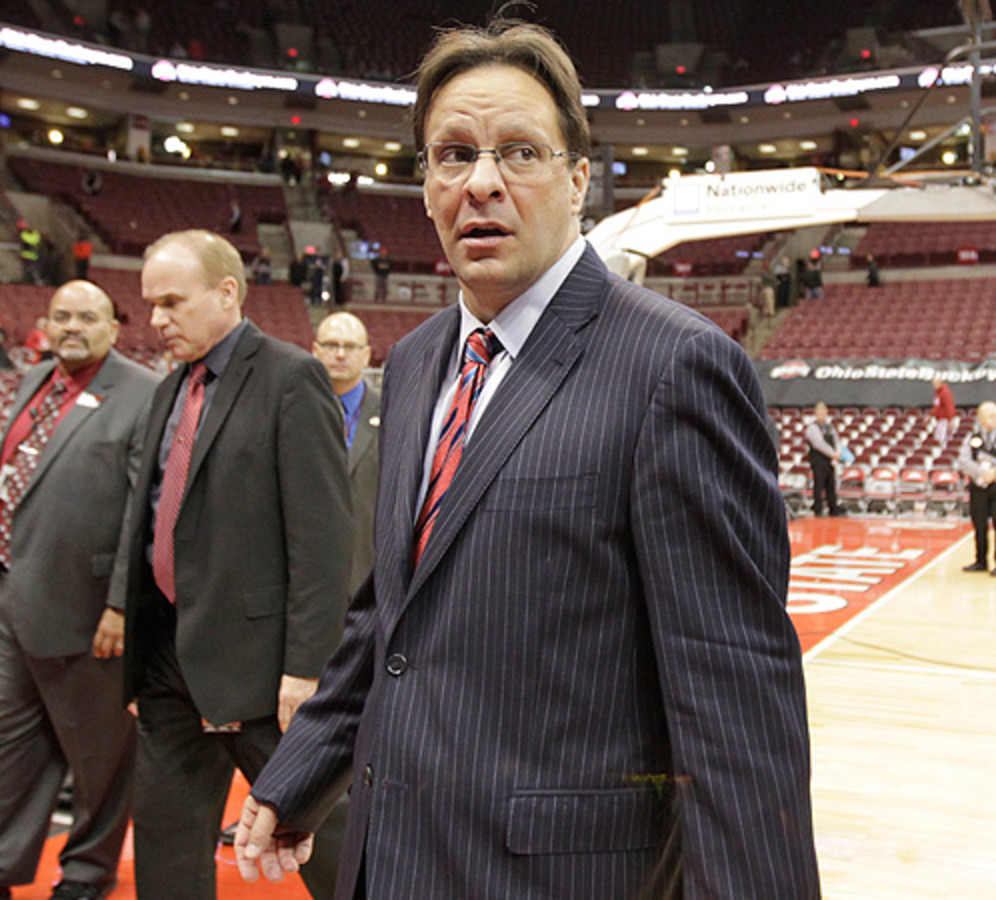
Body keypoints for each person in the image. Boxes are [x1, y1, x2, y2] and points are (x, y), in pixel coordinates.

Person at [236, 18, 818, 900]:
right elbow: (390, 613)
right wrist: (302, 772)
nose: (481, 184)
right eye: (452, 155)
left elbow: (734, 697)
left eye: (519, 153)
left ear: (577, 179)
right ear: (426, 184)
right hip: (392, 859)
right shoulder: (422, 357)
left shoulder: (675, 367)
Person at [114, 229, 352, 900]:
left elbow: (323, 536)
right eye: (150, 305)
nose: (156, 320)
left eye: (170, 302)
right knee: (165, 836)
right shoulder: (170, 390)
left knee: (323, 828)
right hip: (167, 655)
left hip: (259, 666)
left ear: (225, 293)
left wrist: (307, 666)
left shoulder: (289, 376)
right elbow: (150, 521)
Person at [0, 281, 159, 900]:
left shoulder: (140, 392)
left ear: (112, 327)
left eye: (86, 317)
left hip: (88, 608)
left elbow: (141, 512)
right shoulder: (36, 379)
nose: (71, 327)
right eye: (60, 316)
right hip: (8, 591)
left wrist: (122, 602)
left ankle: (87, 873)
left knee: (99, 756)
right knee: (7, 743)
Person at [312, 312, 379, 592]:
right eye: (330, 345)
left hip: (366, 575)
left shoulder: (394, 412)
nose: (340, 354)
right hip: (305, 579)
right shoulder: (290, 409)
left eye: (350, 347)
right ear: (315, 351)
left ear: (366, 356)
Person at [958, 400, 996, 577]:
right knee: (980, 525)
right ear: (982, 418)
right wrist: (980, 473)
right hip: (979, 487)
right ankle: (980, 561)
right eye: (992, 416)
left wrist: (995, 471)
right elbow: (963, 461)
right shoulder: (972, 438)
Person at [805, 401, 843, 517]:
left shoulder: (830, 427)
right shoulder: (812, 428)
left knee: (831, 485)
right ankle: (818, 509)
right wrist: (833, 454)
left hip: (830, 462)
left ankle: (833, 508)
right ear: (816, 412)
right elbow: (818, 444)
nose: (822, 413)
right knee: (819, 486)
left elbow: (837, 440)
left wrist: (838, 452)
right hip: (819, 461)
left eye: (824, 410)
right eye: (820, 411)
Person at [931, 376, 956, 449]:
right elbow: (937, 407)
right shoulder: (938, 393)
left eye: (935, 383)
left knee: (942, 439)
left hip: (944, 420)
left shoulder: (945, 392)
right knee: (938, 438)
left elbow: (949, 406)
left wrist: (950, 419)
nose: (934, 385)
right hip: (939, 420)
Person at [18, 220, 43, 285]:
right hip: (27, 256)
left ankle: (30, 282)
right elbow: (33, 241)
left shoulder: (26, 234)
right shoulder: (23, 234)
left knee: (31, 270)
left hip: (32, 256)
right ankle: (30, 282)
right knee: (31, 270)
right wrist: (36, 233)